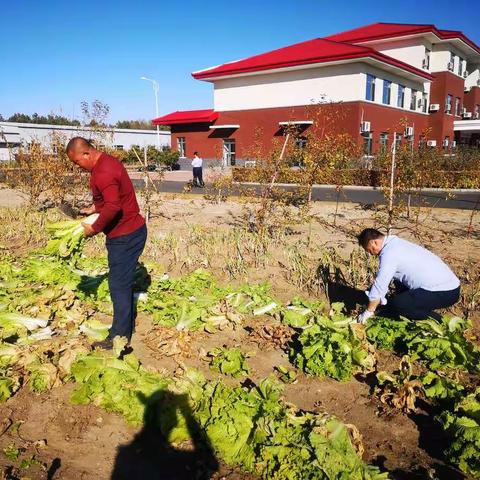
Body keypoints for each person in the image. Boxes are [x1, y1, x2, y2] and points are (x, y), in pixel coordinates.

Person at [66, 137, 147, 349]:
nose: (78, 167)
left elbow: (113, 207)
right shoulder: (106, 162)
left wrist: (94, 227)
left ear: (86, 153)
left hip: (126, 236)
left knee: (118, 285)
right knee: (120, 282)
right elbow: (111, 197)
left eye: (77, 162)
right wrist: (93, 209)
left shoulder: (103, 172)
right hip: (129, 231)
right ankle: (122, 330)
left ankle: (119, 338)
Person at [356, 228, 460, 324]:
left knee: (400, 305)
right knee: (398, 280)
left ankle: (440, 323)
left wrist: (369, 311)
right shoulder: (395, 243)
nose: (371, 254)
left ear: (374, 242)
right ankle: (409, 311)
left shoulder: (390, 253)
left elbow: (380, 284)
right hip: (450, 284)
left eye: (369, 250)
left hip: (446, 291)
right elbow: (387, 279)